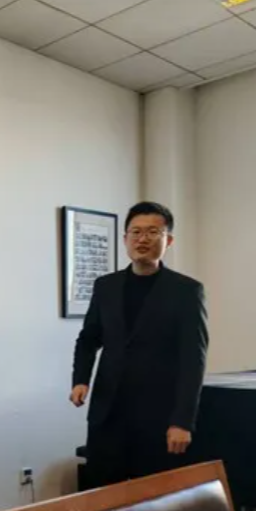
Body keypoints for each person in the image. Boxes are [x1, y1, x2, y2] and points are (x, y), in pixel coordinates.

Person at [70, 202, 208, 488]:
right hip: (108, 414)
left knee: (155, 501)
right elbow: (88, 338)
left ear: (168, 240)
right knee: (102, 498)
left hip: (159, 417)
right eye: (135, 232)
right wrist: (80, 379)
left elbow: (193, 360)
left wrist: (182, 421)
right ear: (125, 239)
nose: (142, 239)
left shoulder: (186, 291)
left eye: (152, 232)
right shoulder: (105, 286)